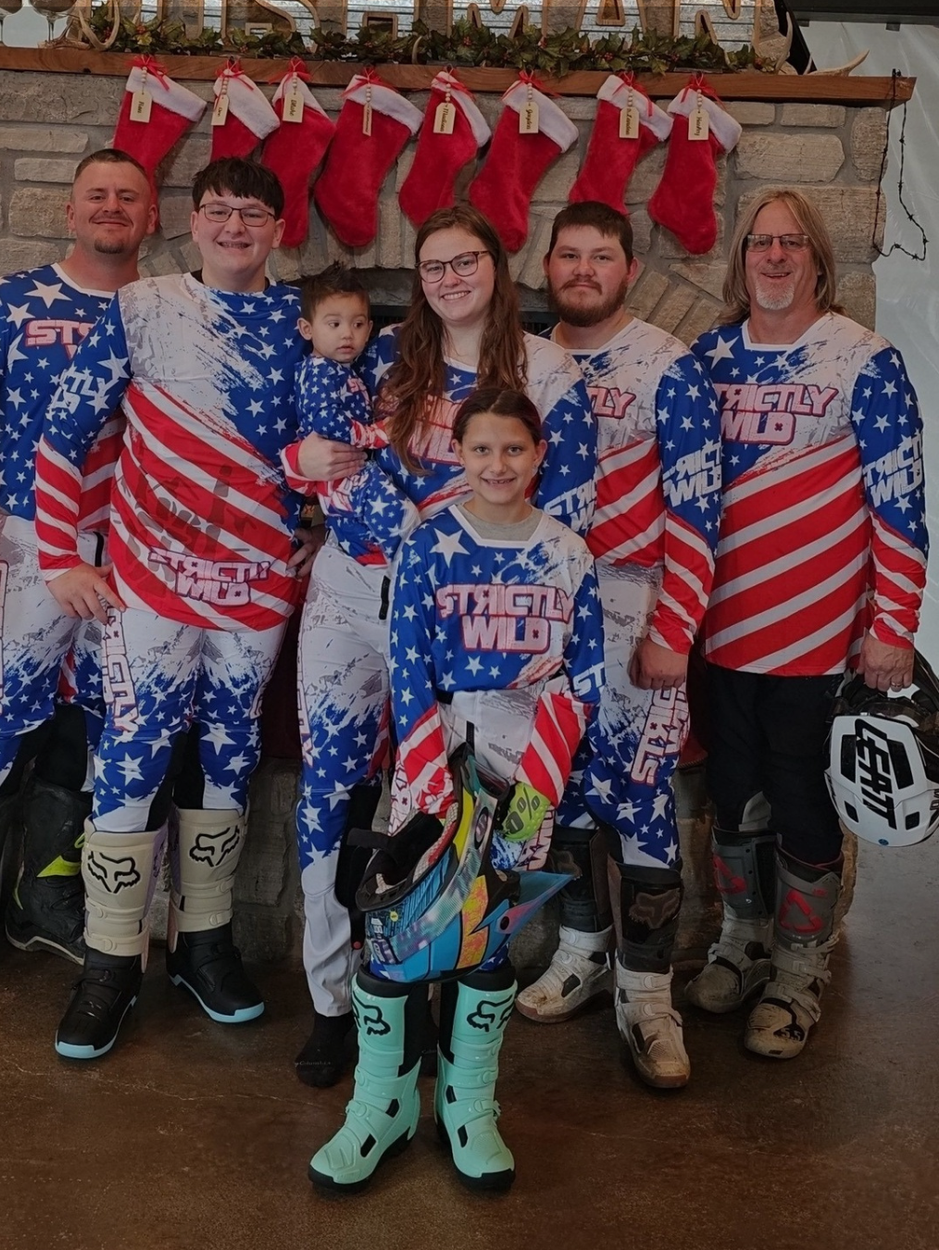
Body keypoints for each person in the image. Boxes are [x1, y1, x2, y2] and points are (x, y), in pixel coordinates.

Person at [284, 204, 595, 1089]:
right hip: (354, 593)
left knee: (451, 802)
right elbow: (327, 465)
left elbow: (563, 506)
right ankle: (335, 1001)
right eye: (432, 265)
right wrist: (307, 462)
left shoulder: (548, 369)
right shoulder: (382, 355)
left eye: (467, 261)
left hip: (474, 621)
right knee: (331, 787)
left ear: (499, 266)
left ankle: (434, 985)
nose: (450, 277)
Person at [33, 157, 316, 1059]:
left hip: (256, 587)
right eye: (221, 210)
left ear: (281, 227)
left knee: (230, 760)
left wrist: (319, 522)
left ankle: (204, 944)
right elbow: (61, 432)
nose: (236, 226)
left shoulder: (305, 322)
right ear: (191, 222)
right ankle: (110, 962)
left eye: (255, 212)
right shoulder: (142, 306)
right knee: (133, 754)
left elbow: (338, 434)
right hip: (149, 581)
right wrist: (56, 559)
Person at [309, 387, 605, 1193]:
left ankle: (469, 1105)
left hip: (526, 767)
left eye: (514, 449)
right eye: (482, 450)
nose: (498, 464)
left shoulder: (569, 554)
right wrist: (431, 776)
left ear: (538, 455)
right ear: (461, 456)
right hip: (431, 763)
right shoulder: (432, 545)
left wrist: (536, 795)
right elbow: (405, 663)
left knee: (489, 934)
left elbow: (582, 683)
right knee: (402, 935)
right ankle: (382, 1105)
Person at [689, 188, 927, 1058]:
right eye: (761, 243)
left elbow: (901, 505)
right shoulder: (710, 356)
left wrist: (893, 623)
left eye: (792, 243)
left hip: (821, 640)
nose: (776, 257)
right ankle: (740, 944)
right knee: (730, 798)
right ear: (741, 258)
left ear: (819, 259)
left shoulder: (864, 360)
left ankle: (798, 968)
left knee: (802, 804)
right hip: (719, 633)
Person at [0, 149, 157, 1008]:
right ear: (69, 213)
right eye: (96, 195)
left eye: (127, 197)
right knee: (0, 714)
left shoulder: (162, 310)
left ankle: (45, 895)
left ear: (152, 219)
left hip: (133, 549)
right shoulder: (9, 302)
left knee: (98, 721)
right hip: (28, 541)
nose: (111, 207)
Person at [515, 202, 721, 1090]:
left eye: (603, 256)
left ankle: (647, 994)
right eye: (571, 255)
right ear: (547, 263)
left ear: (629, 270)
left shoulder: (665, 367)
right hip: (544, 612)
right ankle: (582, 949)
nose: (585, 269)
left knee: (641, 801)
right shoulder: (522, 359)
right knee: (552, 789)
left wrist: (675, 631)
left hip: (637, 605)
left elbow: (700, 507)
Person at [294, 264, 405, 560]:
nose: (347, 334)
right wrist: (375, 434)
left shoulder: (342, 369)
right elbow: (325, 420)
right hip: (339, 467)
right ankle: (406, 566)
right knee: (397, 515)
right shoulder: (319, 371)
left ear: (369, 329)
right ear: (308, 329)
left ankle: (373, 562)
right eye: (334, 324)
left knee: (357, 524)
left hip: (349, 466)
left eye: (357, 324)